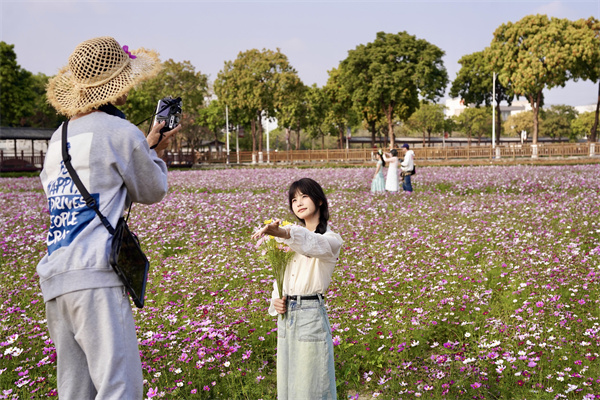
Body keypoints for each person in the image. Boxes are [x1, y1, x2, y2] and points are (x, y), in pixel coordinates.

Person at [37, 36, 180, 399]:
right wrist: (155, 152)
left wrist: (142, 147)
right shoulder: (120, 132)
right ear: (117, 86)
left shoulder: (58, 137)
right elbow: (152, 190)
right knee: (119, 388)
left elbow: (92, 178)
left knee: (75, 390)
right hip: (96, 276)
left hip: (57, 276)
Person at [251, 178, 343, 400]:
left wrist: (283, 232)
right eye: (294, 199)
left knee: (311, 387)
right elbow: (280, 277)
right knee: (288, 386)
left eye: (304, 196)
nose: (298, 202)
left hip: (310, 315)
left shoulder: (330, 240)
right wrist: (276, 301)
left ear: (320, 200)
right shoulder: (291, 240)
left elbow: (311, 245)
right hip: (287, 317)